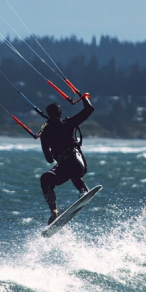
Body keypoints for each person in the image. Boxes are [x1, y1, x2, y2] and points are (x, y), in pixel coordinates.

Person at [39, 95, 94, 224]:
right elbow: (89, 109)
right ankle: (54, 213)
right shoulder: (68, 124)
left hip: (73, 164)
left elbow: (48, 159)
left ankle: (82, 191)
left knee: (46, 179)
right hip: (74, 165)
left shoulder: (46, 132)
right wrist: (84, 97)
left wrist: (53, 144)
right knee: (48, 176)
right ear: (60, 113)